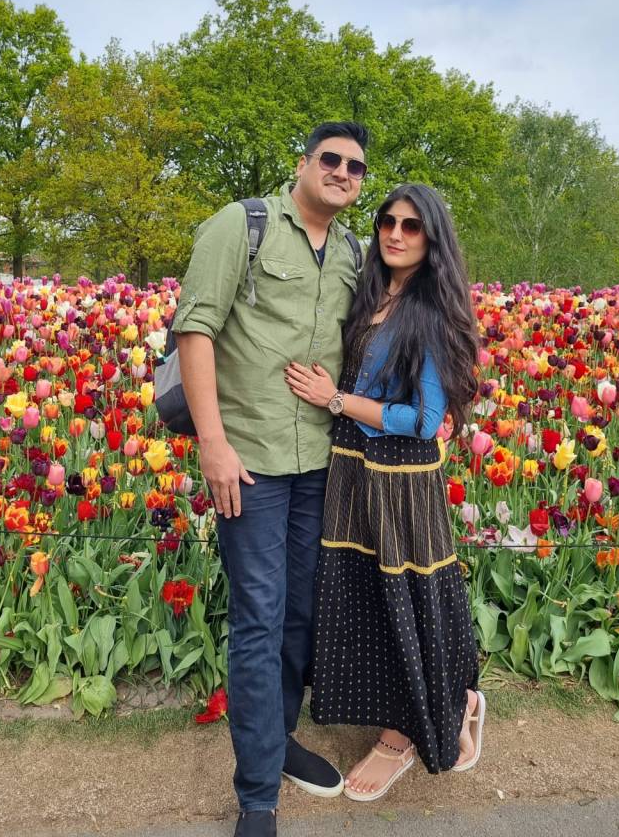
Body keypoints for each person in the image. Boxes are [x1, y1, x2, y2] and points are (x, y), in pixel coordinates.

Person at [173, 122, 369, 837]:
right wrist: (213, 445)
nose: (342, 172)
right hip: (249, 461)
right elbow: (195, 329)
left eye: (355, 167)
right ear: (304, 163)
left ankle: (278, 738)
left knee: (300, 614)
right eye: (331, 159)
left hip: (318, 460)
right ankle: (257, 798)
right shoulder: (244, 225)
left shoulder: (352, 252)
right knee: (259, 617)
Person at [285, 183, 484, 802]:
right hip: (353, 469)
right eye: (387, 221)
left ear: (432, 239)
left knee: (405, 596)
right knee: (367, 595)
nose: (395, 234)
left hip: (401, 481)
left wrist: (336, 400)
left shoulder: (429, 310)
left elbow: (424, 420)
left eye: (412, 226)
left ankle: (402, 736)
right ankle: (457, 698)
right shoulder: (370, 294)